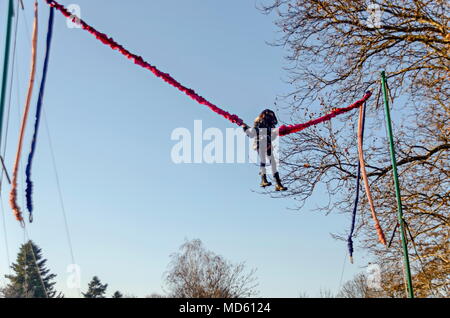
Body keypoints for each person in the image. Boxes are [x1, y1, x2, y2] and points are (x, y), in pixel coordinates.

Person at [243, 109, 287, 191]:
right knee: (263, 160)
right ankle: (264, 180)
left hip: (268, 143)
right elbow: (254, 133)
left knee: (273, 163)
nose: (271, 117)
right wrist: (245, 128)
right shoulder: (259, 122)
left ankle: (278, 184)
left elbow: (272, 135)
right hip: (260, 143)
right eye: (269, 115)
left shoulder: (271, 125)